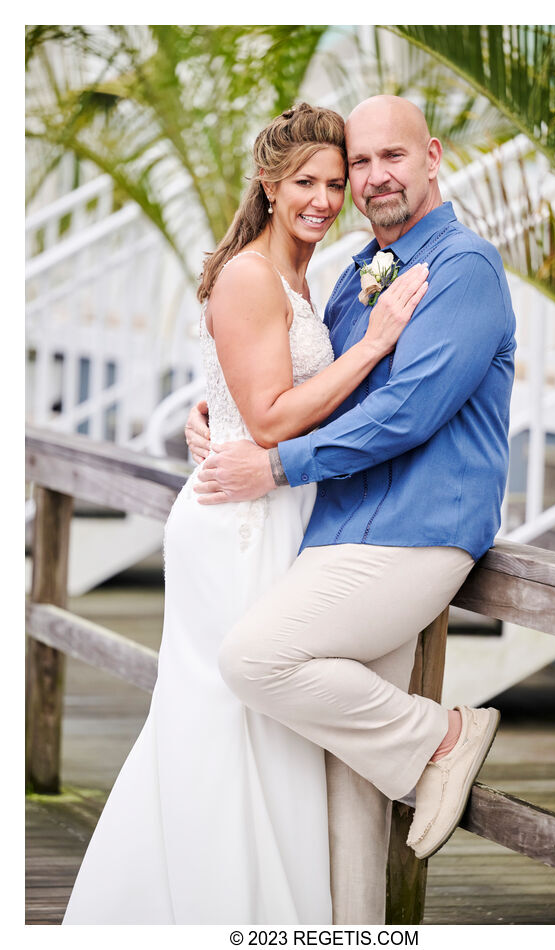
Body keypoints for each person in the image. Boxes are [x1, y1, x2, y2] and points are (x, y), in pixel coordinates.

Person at [62, 102, 428, 925]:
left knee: (268, 727)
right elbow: (267, 419)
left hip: (279, 509)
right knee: (226, 718)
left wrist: (213, 408)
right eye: (306, 182)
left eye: (336, 184)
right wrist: (375, 343)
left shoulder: (303, 276)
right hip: (237, 524)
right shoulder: (251, 274)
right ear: (269, 184)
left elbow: (250, 391)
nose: (326, 199)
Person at [184, 94, 516, 924]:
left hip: (417, 533)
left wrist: (276, 465)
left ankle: (443, 738)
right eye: (354, 165)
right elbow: (307, 393)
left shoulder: (464, 269)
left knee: (255, 660)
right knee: (344, 780)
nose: (369, 180)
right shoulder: (351, 279)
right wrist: (220, 412)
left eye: (389, 158)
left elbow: (407, 411)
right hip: (338, 530)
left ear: (432, 157)